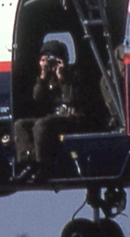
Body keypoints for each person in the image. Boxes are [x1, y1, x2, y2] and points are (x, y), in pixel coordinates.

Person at [12, 39, 82, 178]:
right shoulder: (46, 78)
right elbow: (37, 98)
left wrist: (62, 78)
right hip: (53, 119)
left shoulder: (74, 75)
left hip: (72, 118)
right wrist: (42, 77)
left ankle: (43, 165)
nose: (50, 62)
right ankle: (29, 161)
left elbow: (72, 100)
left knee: (41, 125)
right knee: (20, 125)